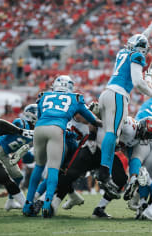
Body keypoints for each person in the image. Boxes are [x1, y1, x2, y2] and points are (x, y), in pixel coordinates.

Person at [97, 17, 152, 197]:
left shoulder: (124, 52)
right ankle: (104, 171)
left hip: (106, 93)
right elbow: (137, 81)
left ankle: (106, 170)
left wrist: (151, 26)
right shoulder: (137, 55)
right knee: (113, 133)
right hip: (118, 95)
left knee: (110, 132)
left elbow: (140, 38)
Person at [23, 75, 102, 218]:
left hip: (40, 129)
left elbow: (41, 116)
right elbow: (91, 119)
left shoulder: (43, 96)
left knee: (39, 166)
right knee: (53, 169)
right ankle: (46, 204)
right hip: (57, 131)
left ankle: (27, 203)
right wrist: (102, 124)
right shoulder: (76, 99)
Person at [0, 104, 38, 211]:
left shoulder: (35, 131)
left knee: (18, 176)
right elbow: (0, 132)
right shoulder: (20, 123)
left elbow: (22, 150)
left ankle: (10, 201)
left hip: (6, 154)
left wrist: (30, 157)